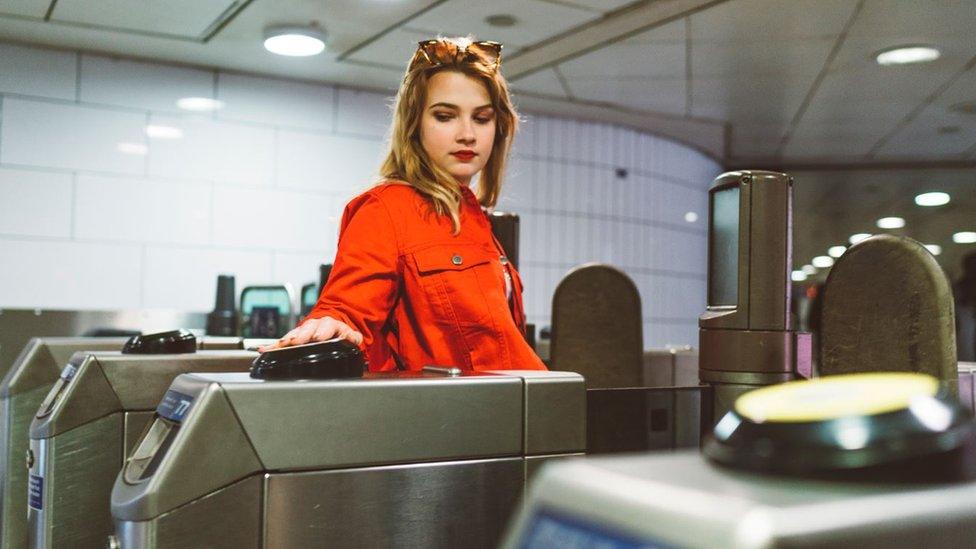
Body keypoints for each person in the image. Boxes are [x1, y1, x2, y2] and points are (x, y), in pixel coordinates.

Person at [266, 37, 546, 372]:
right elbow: (348, 306)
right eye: (445, 116)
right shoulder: (385, 209)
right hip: (448, 416)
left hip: (513, 409)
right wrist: (330, 323)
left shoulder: (474, 218)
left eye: (482, 118)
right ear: (414, 125)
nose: (467, 133)